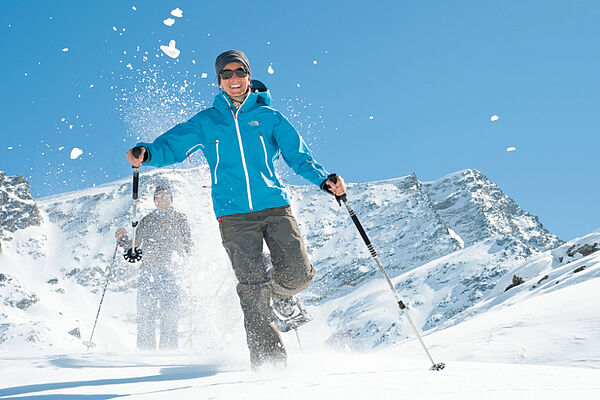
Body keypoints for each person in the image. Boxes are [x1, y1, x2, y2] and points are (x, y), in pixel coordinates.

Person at [125, 49, 346, 367]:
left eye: (239, 72)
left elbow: (298, 155)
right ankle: (270, 367)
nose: (233, 79)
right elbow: (173, 144)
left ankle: (282, 294)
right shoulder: (207, 122)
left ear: (248, 76)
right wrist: (147, 152)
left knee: (299, 273)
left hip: (274, 206)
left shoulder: (269, 117)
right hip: (233, 215)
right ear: (218, 82)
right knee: (252, 288)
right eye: (226, 75)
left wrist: (324, 180)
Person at [115, 184, 193, 350]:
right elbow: (133, 245)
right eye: (159, 196)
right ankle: (145, 352)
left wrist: (191, 259)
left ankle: (169, 352)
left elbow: (188, 245)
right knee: (145, 315)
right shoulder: (147, 220)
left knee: (170, 315)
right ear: (154, 200)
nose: (162, 200)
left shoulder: (180, 218)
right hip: (148, 270)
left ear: (171, 200)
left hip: (171, 271)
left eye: (166, 196)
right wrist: (122, 239)